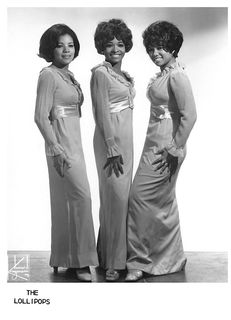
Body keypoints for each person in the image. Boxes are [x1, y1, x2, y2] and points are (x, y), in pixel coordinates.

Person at [126, 21, 197, 281]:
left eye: (161, 48)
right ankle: (170, 258)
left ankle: (139, 262)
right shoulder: (166, 72)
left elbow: (190, 116)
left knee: (139, 198)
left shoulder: (177, 75)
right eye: (152, 49)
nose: (155, 53)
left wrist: (175, 147)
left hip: (166, 145)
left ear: (173, 47)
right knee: (162, 203)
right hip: (154, 141)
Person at [34, 24, 98, 282]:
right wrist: (56, 147)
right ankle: (80, 262)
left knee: (68, 203)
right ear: (51, 48)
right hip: (61, 147)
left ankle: (64, 258)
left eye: (70, 45)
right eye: (60, 45)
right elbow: (40, 116)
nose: (66, 50)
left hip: (75, 145)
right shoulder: (48, 75)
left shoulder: (68, 75)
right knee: (81, 199)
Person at [90, 19, 135, 281]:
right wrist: (110, 146)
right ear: (102, 47)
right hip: (112, 143)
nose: (115, 48)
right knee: (115, 201)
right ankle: (114, 263)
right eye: (109, 44)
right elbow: (101, 112)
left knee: (119, 202)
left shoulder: (122, 75)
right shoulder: (100, 73)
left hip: (126, 142)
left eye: (120, 43)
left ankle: (106, 254)